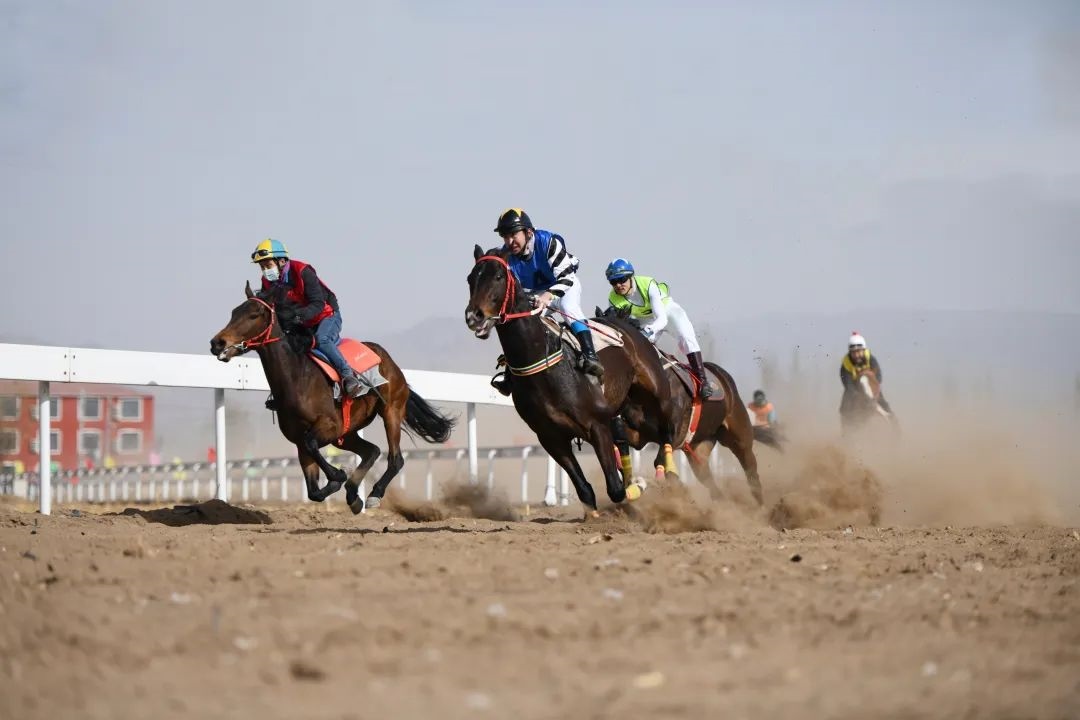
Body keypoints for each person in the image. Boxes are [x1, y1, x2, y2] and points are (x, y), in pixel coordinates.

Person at [490, 209, 603, 395]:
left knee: (569, 307)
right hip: (538, 292)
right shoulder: (507, 257)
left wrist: (548, 296)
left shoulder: (548, 241)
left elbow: (567, 276)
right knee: (521, 323)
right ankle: (510, 374)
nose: (509, 242)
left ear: (528, 232)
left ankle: (590, 355)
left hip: (564, 284)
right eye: (505, 237)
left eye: (513, 235)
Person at [251, 238, 363, 397]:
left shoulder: (303, 271)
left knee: (322, 339)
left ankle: (348, 375)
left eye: (268, 265)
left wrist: (297, 316)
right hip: (303, 321)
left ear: (281, 261)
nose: (265, 271)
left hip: (328, 315)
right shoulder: (267, 281)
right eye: (262, 267)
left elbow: (318, 304)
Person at [604, 258, 713, 399]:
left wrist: (647, 331)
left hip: (667, 312)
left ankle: (702, 381)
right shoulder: (613, 298)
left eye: (622, 279)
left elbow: (662, 319)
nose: (618, 285)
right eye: (613, 282)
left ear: (631, 276)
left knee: (686, 337)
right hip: (645, 320)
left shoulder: (647, 283)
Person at [839, 332, 893, 417]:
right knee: (844, 408)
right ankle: (847, 423)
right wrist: (856, 395)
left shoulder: (871, 359)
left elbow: (878, 376)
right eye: (853, 353)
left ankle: (893, 422)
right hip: (855, 388)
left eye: (858, 351)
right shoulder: (846, 364)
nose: (856, 355)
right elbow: (847, 383)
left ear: (863, 350)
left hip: (871, 387)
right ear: (850, 353)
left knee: (884, 404)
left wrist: (875, 389)